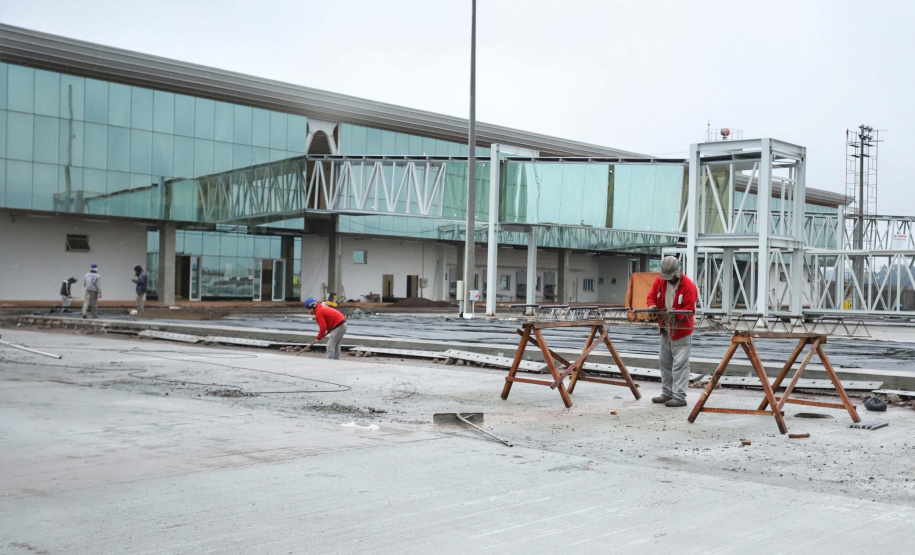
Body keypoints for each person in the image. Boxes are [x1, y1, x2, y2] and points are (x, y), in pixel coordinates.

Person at [646, 256, 698, 407]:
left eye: (670, 277)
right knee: (665, 361)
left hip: (681, 331)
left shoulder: (688, 285)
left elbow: (690, 309)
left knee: (680, 364)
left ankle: (679, 396)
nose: (668, 280)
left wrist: (675, 315)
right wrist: (652, 306)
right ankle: (667, 393)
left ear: (677, 272)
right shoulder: (660, 281)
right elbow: (651, 296)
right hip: (665, 329)